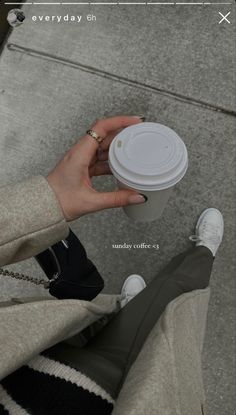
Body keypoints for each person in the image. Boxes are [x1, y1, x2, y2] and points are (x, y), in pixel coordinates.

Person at [0, 115, 224, 415]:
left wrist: (49, 201)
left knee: (103, 322)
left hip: (36, 347)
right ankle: (204, 251)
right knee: (176, 296)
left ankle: (127, 311)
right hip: (115, 397)